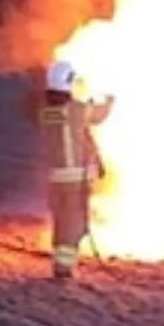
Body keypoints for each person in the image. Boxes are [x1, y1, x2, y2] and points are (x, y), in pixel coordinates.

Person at [36, 60, 113, 280]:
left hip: (55, 180)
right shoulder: (76, 110)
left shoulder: (47, 112)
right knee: (73, 225)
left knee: (61, 222)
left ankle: (60, 264)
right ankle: (64, 269)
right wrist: (110, 99)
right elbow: (98, 115)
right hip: (74, 182)